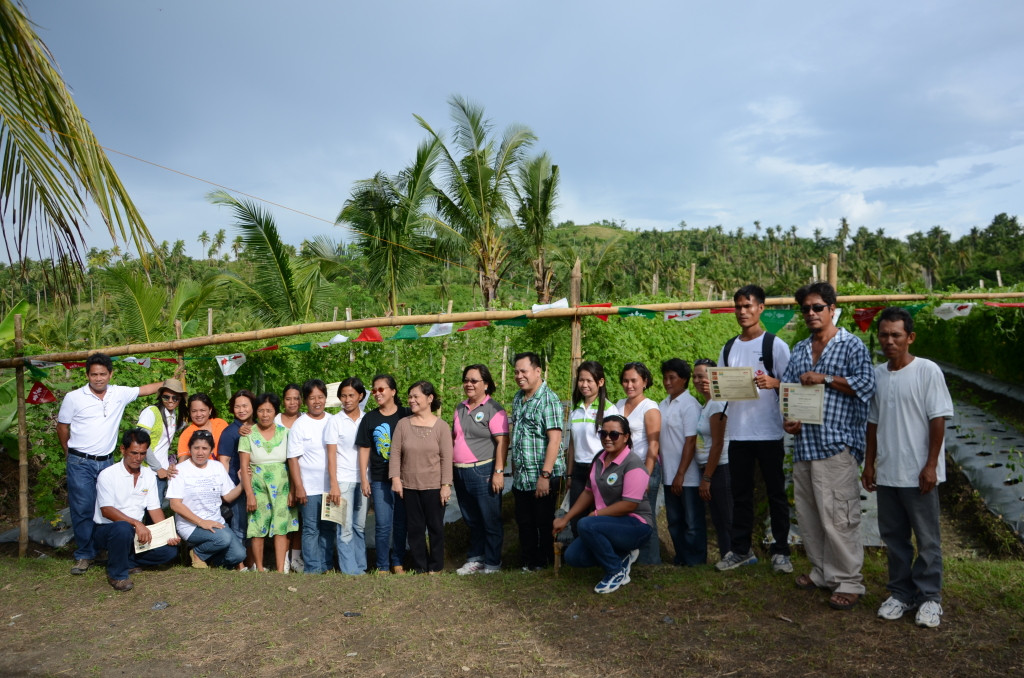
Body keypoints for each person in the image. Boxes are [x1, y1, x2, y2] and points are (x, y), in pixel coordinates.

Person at [782, 282, 876, 611]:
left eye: (817, 307)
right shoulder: (798, 351)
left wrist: (824, 378)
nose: (811, 313)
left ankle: (849, 581)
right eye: (805, 308)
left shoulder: (851, 345)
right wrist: (789, 420)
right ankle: (822, 571)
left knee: (838, 517)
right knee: (809, 516)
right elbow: (790, 393)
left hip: (836, 445)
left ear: (833, 308)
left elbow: (866, 384)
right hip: (806, 445)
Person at [862, 307, 953, 628]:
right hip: (888, 472)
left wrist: (931, 466)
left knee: (927, 539)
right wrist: (869, 463)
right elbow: (872, 424)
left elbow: (937, 420)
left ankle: (930, 598)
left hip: (919, 475)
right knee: (894, 537)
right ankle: (901, 593)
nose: (889, 341)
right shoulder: (876, 374)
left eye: (896, 335)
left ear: (910, 337)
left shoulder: (928, 371)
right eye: (884, 335)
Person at [56, 353, 164, 576]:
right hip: (80, 461)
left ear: (110, 374)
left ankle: (110, 549)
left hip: (106, 461)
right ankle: (85, 554)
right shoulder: (74, 397)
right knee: (83, 508)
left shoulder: (119, 393)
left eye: (102, 374)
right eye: (94, 374)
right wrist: (68, 451)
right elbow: (62, 427)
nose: (98, 378)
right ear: (87, 375)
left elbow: (145, 389)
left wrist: (170, 383)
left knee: (108, 507)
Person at [716, 284, 793, 573]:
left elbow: (793, 388)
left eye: (748, 306)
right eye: (738, 306)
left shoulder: (775, 345)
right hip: (738, 433)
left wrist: (775, 383)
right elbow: (722, 389)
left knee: (776, 493)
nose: (742, 312)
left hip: (770, 433)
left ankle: (781, 552)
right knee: (741, 495)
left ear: (761, 308)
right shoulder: (729, 347)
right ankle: (740, 550)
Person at [553, 415, 653, 594]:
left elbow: (630, 505)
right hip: (609, 524)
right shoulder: (599, 458)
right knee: (573, 557)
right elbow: (588, 492)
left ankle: (615, 571)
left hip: (636, 525)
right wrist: (565, 518)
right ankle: (623, 555)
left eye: (614, 434)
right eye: (603, 433)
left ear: (626, 437)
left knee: (587, 524)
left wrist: (597, 514)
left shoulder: (633, 463)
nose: (607, 438)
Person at [92, 428, 181, 591]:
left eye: (142, 453)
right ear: (123, 449)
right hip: (109, 530)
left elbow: (154, 509)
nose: (138, 458)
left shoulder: (148, 475)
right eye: (134, 453)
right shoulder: (108, 475)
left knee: (169, 552)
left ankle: (126, 561)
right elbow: (106, 510)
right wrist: (136, 524)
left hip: (136, 533)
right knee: (123, 528)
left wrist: (168, 532)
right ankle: (117, 575)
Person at [390, 381, 453, 574]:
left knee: (435, 528)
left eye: (416, 396)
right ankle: (420, 566)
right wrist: (395, 479)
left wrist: (445, 485)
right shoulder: (403, 424)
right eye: (410, 397)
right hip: (409, 486)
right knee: (415, 529)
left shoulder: (441, 427)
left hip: (434, 486)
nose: (411, 400)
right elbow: (395, 453)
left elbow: (446, 457)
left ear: (430, 398)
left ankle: (436, 566)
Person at [509, 352, 565, 571]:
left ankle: (545, 562)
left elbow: (555, 440)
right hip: (522, 475)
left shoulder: (548, 399)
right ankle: (528, 562)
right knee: (524, 522)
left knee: (543, 521)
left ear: (538, 371)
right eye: (516, 372)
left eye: (524, 371)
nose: (519, 376)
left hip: (542, 475)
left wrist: (545, 475)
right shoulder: (518, 398)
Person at [452, 365, 508, 575]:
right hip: (460, 472)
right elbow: (455, 438)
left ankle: (493, 562)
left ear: (486, 383)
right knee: (472, 519)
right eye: (466, 380)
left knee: (490, 519)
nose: (469, 384)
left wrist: (498, 472)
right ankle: (476, 558)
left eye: (474, 380)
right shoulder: (460, 407)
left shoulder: (493, 408)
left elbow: (502, 441)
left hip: (484, 470)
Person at [356, 374, 411, 574]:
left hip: (405, 478)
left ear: (393, 391)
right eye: (375, 390)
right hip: (380, 479)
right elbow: (364, 449)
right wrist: (364, 478)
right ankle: (382, 565)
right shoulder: (369, 418)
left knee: (401, 522)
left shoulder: (406, 414)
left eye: (381, 389)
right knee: (382, 524)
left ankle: (398, 562)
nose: (377, 393)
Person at [168, 429, 246, 569]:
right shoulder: (179, 470)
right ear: (190, 448)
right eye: (196, 448)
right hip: (190, 526)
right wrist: (201, 522)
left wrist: (242, 484)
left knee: (239, 555)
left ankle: (209, 559)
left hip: (216, 521)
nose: (200, 452)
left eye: (205, 448)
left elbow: (227, 496)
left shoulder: (217, 467)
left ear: (211, 450)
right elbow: (175, 505)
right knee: (224, 538)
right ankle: (197, 553)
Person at [239, 392, 299, 572]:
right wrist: (249, 494)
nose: (265, 415)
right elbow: (244, 465)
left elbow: (293, 462)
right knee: (257, 525)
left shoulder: (286, 433)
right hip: (257, 486)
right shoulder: (247, 434)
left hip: (283, 486)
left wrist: (293, 491)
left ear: (275, 412)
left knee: (281, 526)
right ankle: (259, 567)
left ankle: (281, 569)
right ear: (255, 412)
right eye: (261, 410)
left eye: (269, 410)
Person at [287, 379, 336, 574]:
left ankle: (326, 565)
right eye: (312, 398)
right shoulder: (300, 424)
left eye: (320, 397)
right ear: (306, 401)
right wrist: (299, 487)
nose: (317, 401)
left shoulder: (333, 420)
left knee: (327, 528)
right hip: (309, 487)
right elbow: (293, 458)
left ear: (326, 398)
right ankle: (313, 568)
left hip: (330, 486)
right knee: (310, 528)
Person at [616, 362, 662, 565]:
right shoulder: (618, 404)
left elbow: (654, 445)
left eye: (634, 380)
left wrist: (647, 475)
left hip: (644, 467)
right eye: (625, 380)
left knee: (645, 517)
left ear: (645, 381)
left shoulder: (650, 407)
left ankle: (651, 563)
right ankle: (628, 562)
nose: (629, 385)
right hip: (622, 470)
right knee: (624, 518)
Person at [659, 358, 703, 566]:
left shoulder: (690, 405)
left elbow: (691, 440)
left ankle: (695, 561)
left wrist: (681, 473)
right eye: (665, 378)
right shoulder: (662, 404)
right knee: (674, 522)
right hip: (668, 474)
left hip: (688, 476)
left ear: (684, 380)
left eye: (672, 378)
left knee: (692, 523)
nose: (667, 382)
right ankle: (681, 558)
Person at [566, 361, 618, 539]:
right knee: (576, 519)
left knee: (600, 517)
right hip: (580, 472)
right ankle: (581, 560)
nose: (584, 385)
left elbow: (617, 445)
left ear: (600, 382)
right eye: (581, 380)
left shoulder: (610, 410)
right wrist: (570, 474)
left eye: (589, 380)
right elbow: (572, 444)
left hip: (601, 471)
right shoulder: (576, 411)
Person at [325, 378, 369, 575]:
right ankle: (350, 571)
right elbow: (331, 455)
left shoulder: (367, 419)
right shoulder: (334, 421)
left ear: (360, 396)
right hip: (342, 481)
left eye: (351, 395)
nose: (347, 399)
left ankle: (361, 567)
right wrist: (333, 484)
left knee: (360, 526)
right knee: (345, 528)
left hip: (365, 480)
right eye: (343, 395)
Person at [692, 359, 733, 562]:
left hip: (721, 468)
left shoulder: (717, 402)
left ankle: (739, 555)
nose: (697, 381)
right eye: (694, 377)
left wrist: (707, 477)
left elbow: (718, 444)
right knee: (718, 517)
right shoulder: (706, 404)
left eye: (702, 376)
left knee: (727, 517)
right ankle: (728, 556)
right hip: (710, 468)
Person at [217, 389, 256, 569]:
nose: (241, 410)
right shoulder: (229, 432)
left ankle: (252, 562)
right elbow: (223, 462)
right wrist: (227, 488)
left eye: (245, 405)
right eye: (237, 406)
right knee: (240, 525)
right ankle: (240, 565)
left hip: (257, 483)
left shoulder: (258, 427)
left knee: (253, 525)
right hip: (236, 484)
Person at [136, 378, 187, 508]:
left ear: (180, 399)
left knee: (156, 508)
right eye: (166, 397)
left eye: (175, 398)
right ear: (161, 397)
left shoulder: (175, 415)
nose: (170, 401)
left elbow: (184, 426)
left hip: (162, 472)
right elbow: (141, 443)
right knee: (144, 510)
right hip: (147, 470)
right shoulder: (151, 412)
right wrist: (157, 468)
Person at [275, 383, 304, 573]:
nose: (292, 402)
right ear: (283, 400)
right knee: (283, 518)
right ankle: (283, 560)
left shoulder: (307, 419)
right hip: (280, 476)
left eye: (296, 398)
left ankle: (296, 557)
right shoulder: (275, 419)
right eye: (288, 398)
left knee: (300, 519)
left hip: (303, 475)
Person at [177, 393, 231, 471]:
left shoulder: (221, 424)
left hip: (225, 471)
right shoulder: (187, 433)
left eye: (202, 410)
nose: (198, 414)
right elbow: (183, 461)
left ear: (210, 410)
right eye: (194, 411)